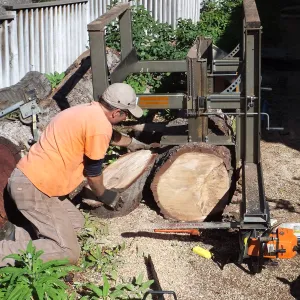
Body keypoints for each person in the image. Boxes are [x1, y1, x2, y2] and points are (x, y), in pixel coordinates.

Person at [0, 83, 149, 266]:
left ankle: (15, 235)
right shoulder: (99, 126)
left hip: (32, 182)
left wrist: (131, 142)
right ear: (116, 112)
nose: (126, 118)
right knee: (68, 252)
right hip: (35, 189)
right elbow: (93, 175)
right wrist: (105, 195)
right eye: (126, 114)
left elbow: (108, 135)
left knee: (75, 224)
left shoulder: (84, 112)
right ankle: (3, 253)